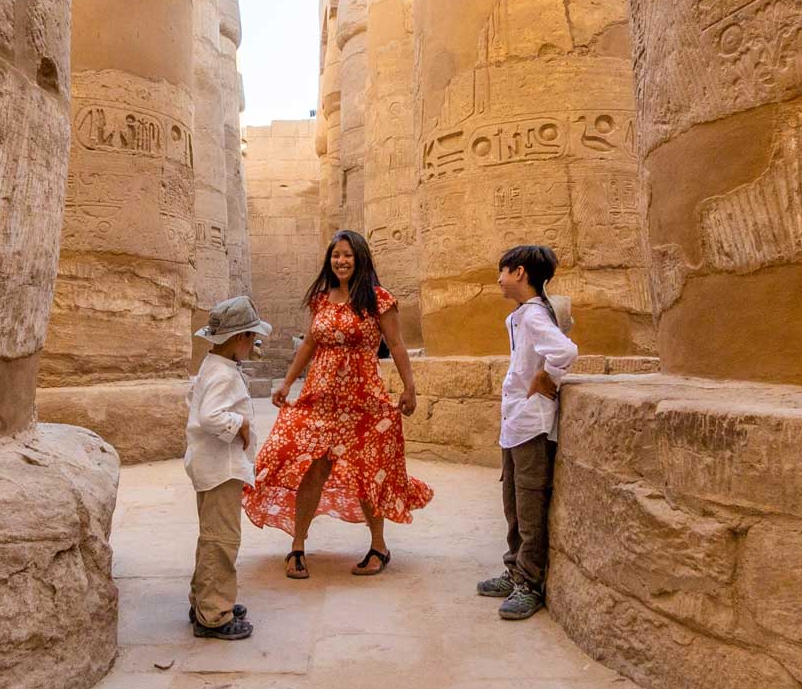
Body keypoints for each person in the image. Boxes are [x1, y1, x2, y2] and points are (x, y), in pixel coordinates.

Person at [243, 230, 433, 578]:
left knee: (366, 470)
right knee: (312, 469)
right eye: (336, 256)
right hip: (321, 398)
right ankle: (297, 546)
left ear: (360, 258)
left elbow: (398, 344)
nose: (341, 261)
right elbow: (309, 345)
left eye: (347, 255)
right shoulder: (320, 299)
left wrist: (410, 387)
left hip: (363, 399)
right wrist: (287, 382)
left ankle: (379, 546)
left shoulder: (378, 299)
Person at [477, 245, 578, 620]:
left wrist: (546, 376)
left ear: (519, 273)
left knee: (530, 506)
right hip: (516, 422)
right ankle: (514, 568)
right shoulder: (521, 317)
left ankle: (530, 583)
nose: (499, 278)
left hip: (531, 424)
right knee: (513, 503)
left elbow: (565, 351)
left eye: (502, 271)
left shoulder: (535, 315)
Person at [184, 296, 272, 640]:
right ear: (239, 339)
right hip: (222, 469)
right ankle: (214, 615)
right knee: (222, 541)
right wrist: (242, 426)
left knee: (211, 538)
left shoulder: (213, 365)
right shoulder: (224, 375)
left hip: (211, 466)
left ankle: (204, 599)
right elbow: (210, 416)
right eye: (252, 337)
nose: (254, 344)